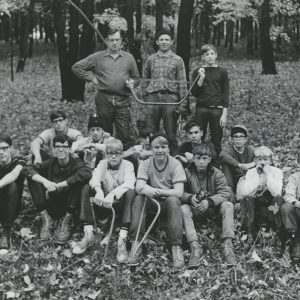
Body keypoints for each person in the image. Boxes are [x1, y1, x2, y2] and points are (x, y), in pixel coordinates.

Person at [72, 28, 139, 150]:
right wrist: (91, 78)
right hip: (104, 99)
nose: (114, 43)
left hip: (123, 100)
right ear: (106, 41)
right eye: (111, 40)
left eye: (117, 40)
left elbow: (136, 77)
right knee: (104, 133)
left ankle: (126, 161)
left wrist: (132, 82)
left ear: (121, 41)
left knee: (125, 134)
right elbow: (77, 67)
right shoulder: (98, 57)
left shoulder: (129, 58)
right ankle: (104, 162)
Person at [128, 133, 187, 270]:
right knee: (139, 198)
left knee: (173, 200)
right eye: (156, 147)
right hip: (152, 201)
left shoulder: (175, 164)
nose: (160, 150)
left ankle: (176, 246)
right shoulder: (145, 163)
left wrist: (157, 191)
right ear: (151, 149)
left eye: (163, 147)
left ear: (168, 149)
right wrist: (147, 189)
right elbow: (139, 186)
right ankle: (136, 242)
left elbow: (179, 192)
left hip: (168, 202)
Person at [73, 139, 136, 263]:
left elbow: (130, 182)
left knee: (131, 191)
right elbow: (94, 177)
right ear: (106, 154)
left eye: (117, 153)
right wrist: (99, 191)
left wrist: (113, 194)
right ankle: (88, 232)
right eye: (110, 153)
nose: (113, 156)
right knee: (86, 187)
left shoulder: (128, 165)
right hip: (102, 203)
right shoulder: (102, 163)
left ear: (122, 154)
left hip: (119, 205)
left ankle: (122, 238)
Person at [25, 134, 92, 243]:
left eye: (64, 147)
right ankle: (46, 219)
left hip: (68, 204)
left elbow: (87, 173)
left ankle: (66, 221)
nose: (61, 149)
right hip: (51, 202)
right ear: (54, 149)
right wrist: (45, 181)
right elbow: (28, 169)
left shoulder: (75, 163)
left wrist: (61, 184)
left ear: (70, 149)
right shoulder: (51, 162)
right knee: (32, 178)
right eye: (57, 147)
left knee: (80, 180)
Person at [181, 145, 235, 267]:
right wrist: (190, 198)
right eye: (198, 158)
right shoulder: (186, 172)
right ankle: (194, 246)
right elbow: (179, 192)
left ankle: (228, 244)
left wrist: (210, 202)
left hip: (213, 209)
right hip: (195, 208)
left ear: (209, 159)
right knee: (183, 209)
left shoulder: (217, 173)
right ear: (193, 158)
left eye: (204, 158)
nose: (201, 161)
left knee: (228, 205)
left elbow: (225, 193)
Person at [143, 30, 187, 155]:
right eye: (161, 39)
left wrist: (182, 103)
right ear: (157, 42)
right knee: (151, 131)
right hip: (153, 98)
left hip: (170, 98)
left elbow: (182, 82)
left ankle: (174, 158)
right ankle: (152, 158)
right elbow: (145, 79)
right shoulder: (151, 59)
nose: (164, 42)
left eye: (167, 39)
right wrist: (144, 98)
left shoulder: (178, 60)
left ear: (171, 42)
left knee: (171, 132)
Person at [237, 146, 284, 245]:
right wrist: (258, 178)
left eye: (265, 159)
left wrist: (268, 175)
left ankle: (277, 232)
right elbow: (246, 192)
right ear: (255, 161)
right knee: (247, 198)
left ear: (270, 161)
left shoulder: (276, 172)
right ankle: (250, 232)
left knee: (278, 199)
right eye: (259, 159)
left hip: (270, 202)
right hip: (256, 202)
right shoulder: (251, 172)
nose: (263, 162)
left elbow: (276, 192)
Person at [191, 44, 229, 155]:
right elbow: (194, 92)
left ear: (216, 55)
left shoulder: (222, 72)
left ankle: (215, 163)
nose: (210, 57)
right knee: (198, 139)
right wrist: (201, 78)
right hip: (201, 108)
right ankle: (198, 163)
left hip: (217, 110)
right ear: (203, 57)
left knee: (216, 139)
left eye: (212, 54)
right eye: (207, 54)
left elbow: (225, 93)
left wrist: (224, 114)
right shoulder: (198, 71)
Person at [0, 134, 26, 252]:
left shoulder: (19, 160)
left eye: (4, 148)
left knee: (11, 184)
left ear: (10, 148)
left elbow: (13, 175)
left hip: (12, 205)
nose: (1, 152)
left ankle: (6, 232)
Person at [219, 125, 255, 194]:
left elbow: (262, 156)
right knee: (225, 163)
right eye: (236, 136)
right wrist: (239, 165)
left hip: (249, 183)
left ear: (246, 139)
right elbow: (222, 155)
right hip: (234, 182)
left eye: (241, 136)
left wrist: (252, 164)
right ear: (232, 139)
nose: (238, 139)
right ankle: (230, 191)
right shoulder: (229, 150)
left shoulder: (250, 149)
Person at [280, 172, 300, 263]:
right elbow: (289, 195)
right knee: (286, 207)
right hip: (298, 206)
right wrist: (297, 203)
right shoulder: (295, 177)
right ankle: (294, 242)